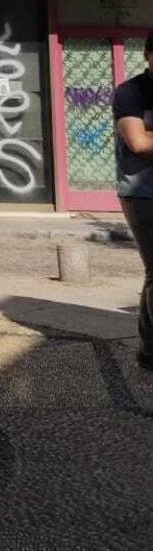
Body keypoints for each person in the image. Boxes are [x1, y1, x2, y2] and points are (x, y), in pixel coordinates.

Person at [112, 32, 153, 371]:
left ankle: (148, 349)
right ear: (148, 55)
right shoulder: (130, 93)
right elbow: (139, 143)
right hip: (142, 194)